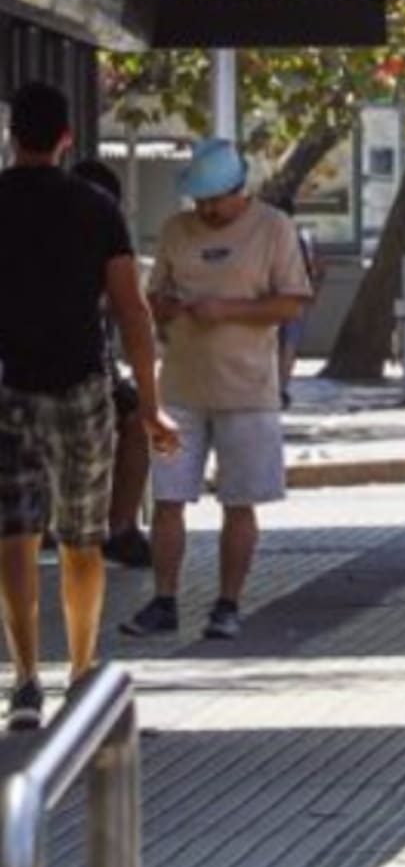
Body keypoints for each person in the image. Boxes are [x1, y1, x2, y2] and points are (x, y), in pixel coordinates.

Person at [0, 82, 178, 729]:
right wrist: (152, 406)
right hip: (81, 386)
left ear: (12, 135)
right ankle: (79, 669)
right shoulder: (96, 207)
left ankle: (22, 680)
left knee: (14, 538)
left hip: (8, 386)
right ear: (67, 138)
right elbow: (131, 310)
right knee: (82, 538)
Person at [121, 138, 312, 641]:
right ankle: (164, 600)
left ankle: (228, 603)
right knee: (167, 498)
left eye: (215, 200)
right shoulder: (175, 230)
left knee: (239, 500)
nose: (206, 210)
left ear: (238, 191)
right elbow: (151, 295)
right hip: (180, 385)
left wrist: (227, 311)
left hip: (247, 388)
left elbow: (293, 302)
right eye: (199, 201)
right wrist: (163, 305)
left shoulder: (274, 228)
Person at [71, 158, 155, 569]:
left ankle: (120, 525)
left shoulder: (107, 243)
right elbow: (131, 312)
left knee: (137, 417)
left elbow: (131, 312)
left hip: (95, 368)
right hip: (51, 373)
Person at [271, 194, 324, 409]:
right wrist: (312, 293)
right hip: (296, 296)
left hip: (271, 298)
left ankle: (274, 386)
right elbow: (318, 268)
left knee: (274, 343)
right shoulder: (302, 237)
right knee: (290, 343)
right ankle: (282, 387)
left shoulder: (268, 237)